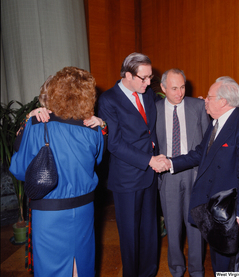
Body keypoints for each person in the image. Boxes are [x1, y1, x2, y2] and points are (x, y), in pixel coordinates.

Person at [9, 67, 105, 277]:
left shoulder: (36, 124)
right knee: (81, 264)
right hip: (84, 209)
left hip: (49, 213)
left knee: (52, 269)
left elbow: (18, 170)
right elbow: (96, 160)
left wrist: (25, 125)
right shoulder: (94, 127)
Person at [163, 77, 239, 273]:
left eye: (209, 97)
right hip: (214, 206)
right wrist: (170, 162)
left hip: (231, 210)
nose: (204, 101)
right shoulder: (217, 122)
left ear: (223, 101)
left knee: (230, 265)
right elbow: (201, 153)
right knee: (218, 261)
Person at [98, 52, 168, 277]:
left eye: (151, 78)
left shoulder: (147, 94)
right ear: (127, 75)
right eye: (144, 78)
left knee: (149, 230)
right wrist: (149, 160)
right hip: (127, 178)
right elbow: (115, 143)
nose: (149, 83)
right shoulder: (108, 99)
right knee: (129, 234)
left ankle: (149, 272)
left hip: (150, 175)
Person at [156, 69, 209, 277]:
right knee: (172, 224)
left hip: (195, 173)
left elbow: (207, 143)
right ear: (163, 88)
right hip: (167, 174)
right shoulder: (155, 109)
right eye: (174, 88)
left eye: (183, 87)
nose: (179, 93)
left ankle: (197, 270)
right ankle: (176, 269)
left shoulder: (198, 106)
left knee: (195, 224)